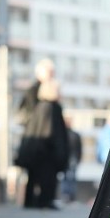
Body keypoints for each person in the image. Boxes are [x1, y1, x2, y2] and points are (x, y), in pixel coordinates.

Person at [14, 74, 69, 209]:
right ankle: (44, 201)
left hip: (37, 151)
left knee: (33, 178)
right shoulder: (52, 108)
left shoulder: (40, 107)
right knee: (47, 179)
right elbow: (52, 133)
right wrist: (59, 152)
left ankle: (30, 202)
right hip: (47, 152)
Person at [61, 117, 82, 203]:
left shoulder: (64, 134)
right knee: (69, 178)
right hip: (71, 158)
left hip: (71, 158)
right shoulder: (73, 134)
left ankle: (69, 196)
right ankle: (68, 196)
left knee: (68, 178)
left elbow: (79, 149)